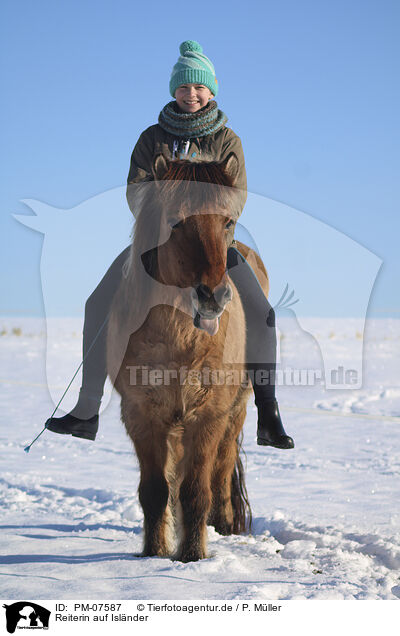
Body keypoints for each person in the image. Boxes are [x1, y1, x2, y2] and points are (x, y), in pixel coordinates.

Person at [46, 40, 294, 450]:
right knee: (96, 303)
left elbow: (238, 195)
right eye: (183, 88)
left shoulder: (228, 139)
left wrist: (204, 213)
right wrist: (166, 212)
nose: (191, 94)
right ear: (173, 91)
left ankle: (267, 413)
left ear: (212, 91)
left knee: (262, 311)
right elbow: (136, 191)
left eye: (199, 88)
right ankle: (87, 409)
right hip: (159, 243)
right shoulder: (152, 138)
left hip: (214, 243)